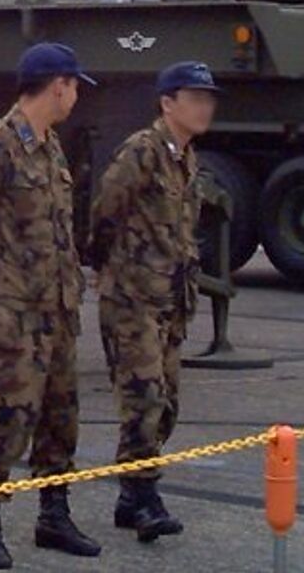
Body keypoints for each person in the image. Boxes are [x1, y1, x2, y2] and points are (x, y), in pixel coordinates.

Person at [0, 41, 106, 568]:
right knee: (10, 415)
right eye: (72, 88)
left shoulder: (50, 145)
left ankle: (53, 515)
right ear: (57, 85)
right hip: (15, 312)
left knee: (61, 416)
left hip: (59, 308)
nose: (75, 98)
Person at [87, 60, 217, 542]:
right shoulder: (141, 152)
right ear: (168, 102)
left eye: (208, 98)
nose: (205, 106)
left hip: (171, 300)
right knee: (144, 398)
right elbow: (105, 211)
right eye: (195, 97)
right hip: (133, 300)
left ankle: (130, 497)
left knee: (167, 404)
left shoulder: (186, 157)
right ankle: (143, 497)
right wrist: (106, 268)